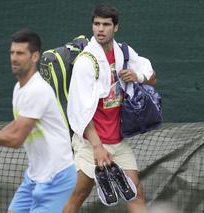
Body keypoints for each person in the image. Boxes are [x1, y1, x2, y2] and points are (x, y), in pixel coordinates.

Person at [0, 29, 76, 213]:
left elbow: (16, 140)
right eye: (12, 52)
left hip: (56, 179)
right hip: (34, 176)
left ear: (35, 56)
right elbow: (16, 125)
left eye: (20, 53)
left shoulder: (38, 91)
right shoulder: (19, 88)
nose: (14, 58)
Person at [63, 4, 156, 213]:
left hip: (118, 142)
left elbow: (152, 77)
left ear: (116, 27)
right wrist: (97, 147)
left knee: (136, 192)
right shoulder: (85, 62)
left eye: (106, 24)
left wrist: (137, 76)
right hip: (91, 143)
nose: (100, 29)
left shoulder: (124, 52)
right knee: (78, 195)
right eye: (96, 24)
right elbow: (79, 110)